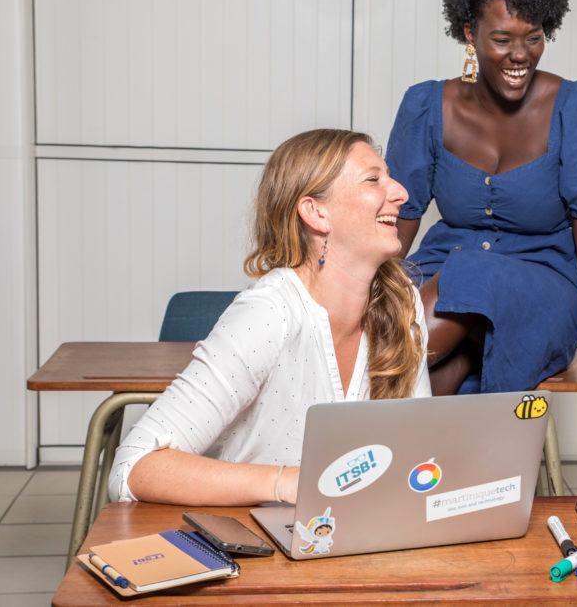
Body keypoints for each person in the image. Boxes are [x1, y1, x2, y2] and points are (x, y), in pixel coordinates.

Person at [108, 129, 430, 505]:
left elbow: (416, 445)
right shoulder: (268, 314)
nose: (401, 193)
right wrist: (288, 483)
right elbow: (132, 467)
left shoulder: (402, 299)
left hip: (346, 535)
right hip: (254, 545)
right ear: (316, 212)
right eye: (374, 179)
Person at [386, 0, 577, 396]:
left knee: (469, 274)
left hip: (545, 282)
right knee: (423, 349)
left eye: (533, 38)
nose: (521, 55)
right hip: (444, 270)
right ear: (469, 33)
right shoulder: (426, 106)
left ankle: (356, 406)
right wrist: (363, 289)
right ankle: (418, 458)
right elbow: (399, 218)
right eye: (502, 39)